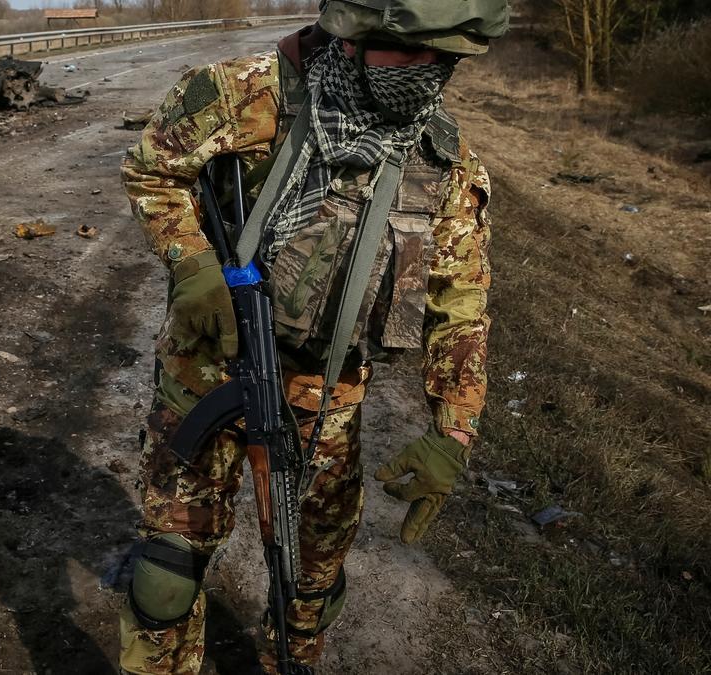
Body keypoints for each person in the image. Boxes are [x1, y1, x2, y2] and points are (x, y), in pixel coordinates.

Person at [118, 1, 510, 673]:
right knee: (167, 573)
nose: (421, 73)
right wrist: (194, 266)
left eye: (440, 60)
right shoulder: (250, 92)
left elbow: (461, 304)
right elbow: (152, 169)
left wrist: (454, 429)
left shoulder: (443, 164)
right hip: (205, 371)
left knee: (311, 582)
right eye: (403, 51)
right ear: (352, 36)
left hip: (326, 401)